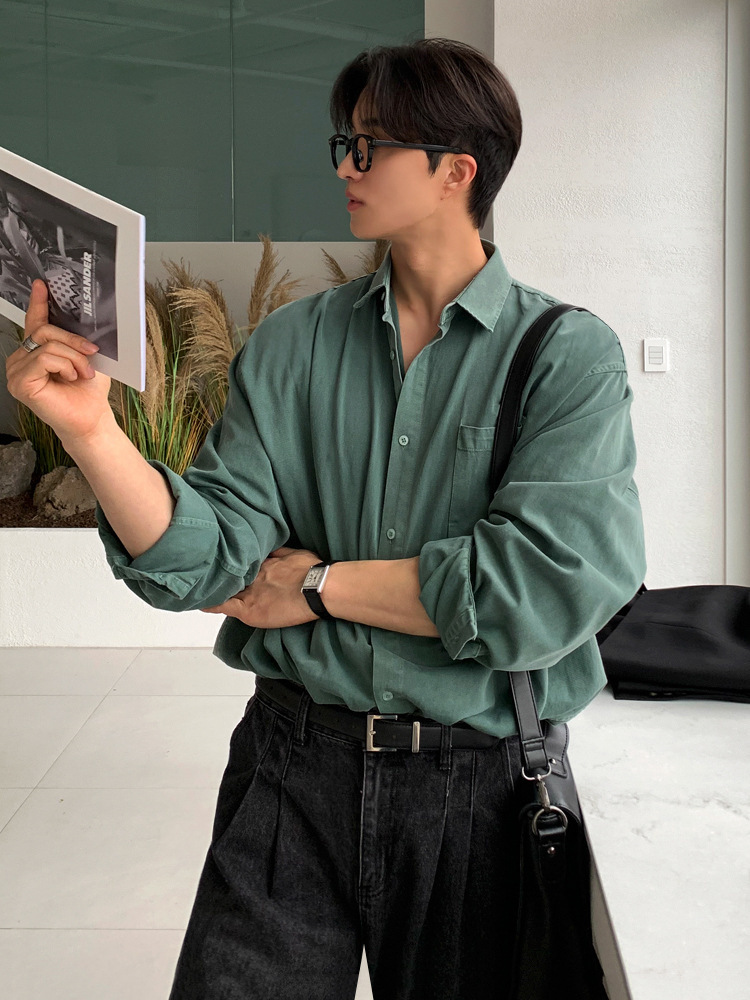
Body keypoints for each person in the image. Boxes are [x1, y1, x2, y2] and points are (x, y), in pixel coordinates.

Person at [5, 37, 646, 1000]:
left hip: (481, 789)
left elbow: (544, 592)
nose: (344, 166)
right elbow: (212, 560)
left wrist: (315, 585)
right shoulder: (292, 343)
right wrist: (91, 432)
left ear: (456, 171)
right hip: (291, 768)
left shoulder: (565, 356)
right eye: (342, 143)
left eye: (369, 146)